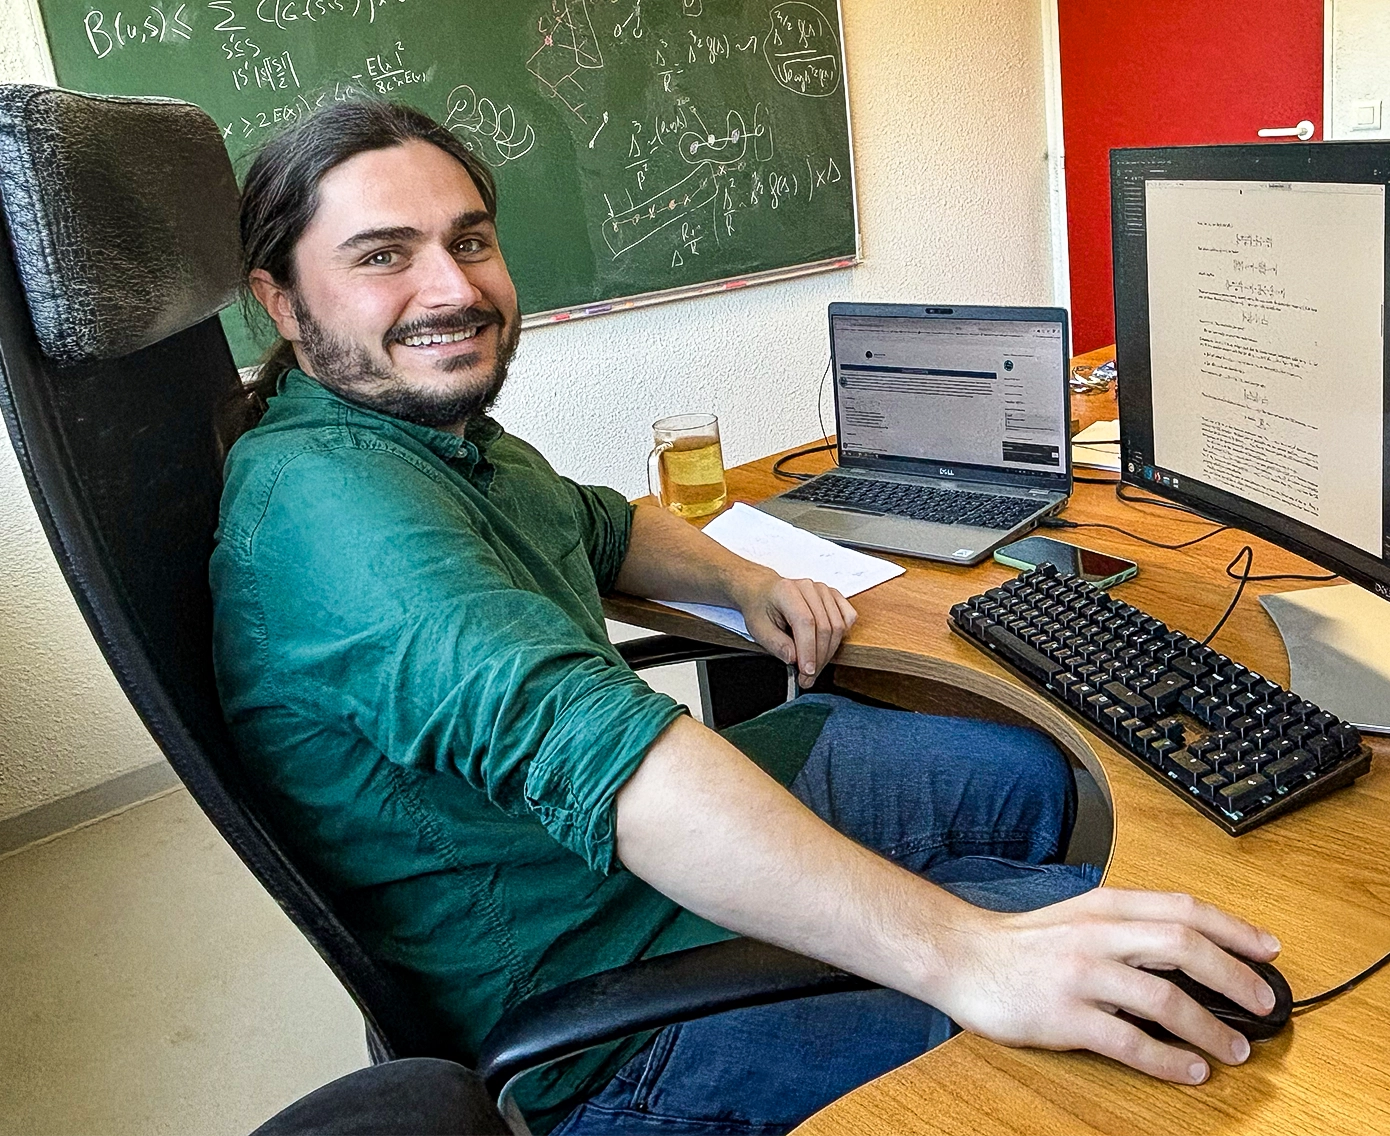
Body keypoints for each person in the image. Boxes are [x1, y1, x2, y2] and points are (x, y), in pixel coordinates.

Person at [210, 101, 1281, 1136]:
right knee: (1124, 998)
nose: (452, 286)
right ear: (281, 299)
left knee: (1037, 780)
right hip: (598, 1008)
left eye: (470, 239)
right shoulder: (329, 507)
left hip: (614, 871)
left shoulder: (440, 440)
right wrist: (967, 952)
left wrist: (744, 582)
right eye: (382, 254)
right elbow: (615, 762)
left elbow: (605, 525)